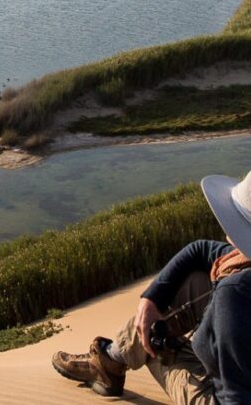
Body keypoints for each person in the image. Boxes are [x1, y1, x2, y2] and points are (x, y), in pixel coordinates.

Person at [52, 172, 251, 403]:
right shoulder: (240, 262)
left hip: (224, 397)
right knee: (195, 280)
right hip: (234, 370)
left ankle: (110, 362)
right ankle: (110, 359)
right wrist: (152, 299)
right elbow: (201, 249)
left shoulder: (235, 292)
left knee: (151, 342)